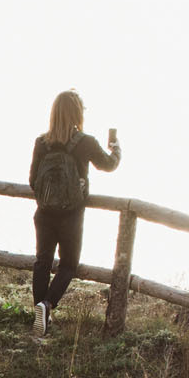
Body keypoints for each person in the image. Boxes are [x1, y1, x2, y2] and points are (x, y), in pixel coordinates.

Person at [26, 90, 120, 337]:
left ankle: (40, 312)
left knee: (42, 261)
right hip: (71, 216)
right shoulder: (84, 142)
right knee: (68, 265)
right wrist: (116, 149)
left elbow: (33, 180)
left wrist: (48, 198)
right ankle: (47, 306)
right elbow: (108, 165)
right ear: (78, 113)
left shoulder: (41, 142)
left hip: (44, 214)